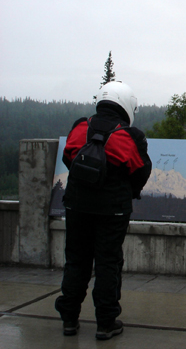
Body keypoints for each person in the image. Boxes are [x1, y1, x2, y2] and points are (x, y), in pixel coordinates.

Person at [55, 81, 152, 340]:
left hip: (76, 205)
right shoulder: (129, 136)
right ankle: (106, 322)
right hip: (113, 210)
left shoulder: (81, 127)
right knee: (108, 263)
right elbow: (141, 171)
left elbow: (68, 158)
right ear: (126, 104)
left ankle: (69, 318)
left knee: (76, 259)